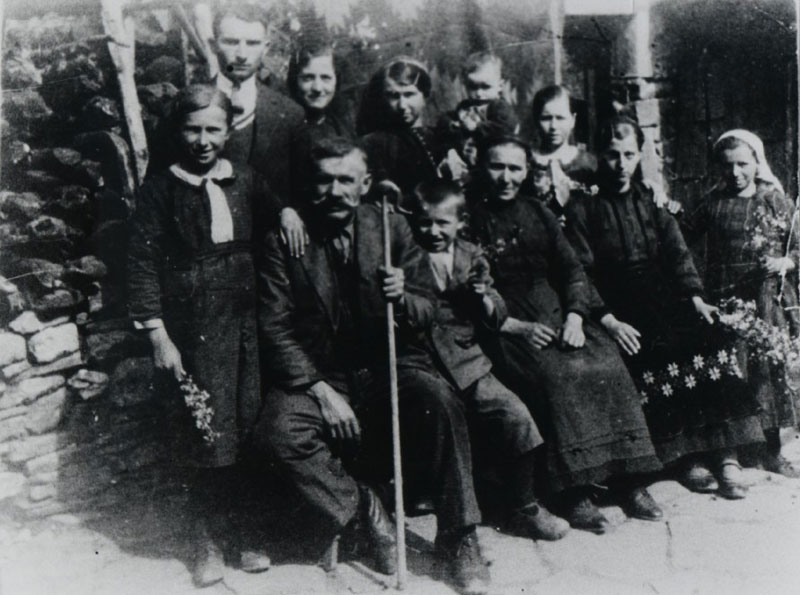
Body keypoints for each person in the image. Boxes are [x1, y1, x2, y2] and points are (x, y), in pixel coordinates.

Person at [254, 137, 493, 595]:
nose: (335, 191)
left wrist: (402, 297)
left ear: (364, 185)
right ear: (308, 184)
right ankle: (363, 507)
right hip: (321, 376)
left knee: (440, 401)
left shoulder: (391, 227)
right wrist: (321, 391)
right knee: (278, 434)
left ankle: (459, 537)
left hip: (388, 365)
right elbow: (274, 327)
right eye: (324, 180)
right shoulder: (284, 239)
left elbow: (427, 310)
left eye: (346, 180)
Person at [468, 132, 664, 534]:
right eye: (497, 166)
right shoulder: (470, 218)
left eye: (515, 168)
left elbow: (572, 268)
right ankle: (572, 491)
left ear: (527, 170)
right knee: (554, 376)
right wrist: (513, 327)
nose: (506, 177)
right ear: (481, 167)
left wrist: (576, 317)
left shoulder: (538, 211)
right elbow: (465, 288)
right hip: (506, 324)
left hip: (557, 312)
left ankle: (629, 481)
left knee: (607, 362)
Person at [566, 116, 766, 500]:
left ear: (639, 154)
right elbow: (579, 271)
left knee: (707, 338)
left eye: (629, 155)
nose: (621, 164)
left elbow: (676, 252)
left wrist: (695, 297)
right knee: (654, 351)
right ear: (598, 156)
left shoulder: (649, 198)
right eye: (612, 155)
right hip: (617, 303)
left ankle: (725, 454)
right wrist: (609, 321)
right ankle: (686, 457)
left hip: (664, 294)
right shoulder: (584, 207)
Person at [127, 85, 274, 587]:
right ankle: (206, 539)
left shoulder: (245, 178)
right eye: (193, 129)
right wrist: (158, 335)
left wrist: (289, 212)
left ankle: (246, 531)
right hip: (196, 328)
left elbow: (275, 209)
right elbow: (141, 263)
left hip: (247, 323)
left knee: (249, 426)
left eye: (214, 129)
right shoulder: (160, 190)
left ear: (229, 131)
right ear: (178, 132)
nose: (203, 140)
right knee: (204, 433)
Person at [408, 179, 569, 542]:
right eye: (424, 223)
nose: (433, 231)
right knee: (439, 417)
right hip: (421, 360)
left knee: (515, 415)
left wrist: (482, 299)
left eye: (442, 223)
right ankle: (434, 499)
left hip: (467, 359)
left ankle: (523, 506)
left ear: (459, 223)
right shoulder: (403, 257)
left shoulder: (471, 256)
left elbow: (497, 309)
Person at [682, 129, 799, 476]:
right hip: (725, 298)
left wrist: (785, 262)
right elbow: (679, 238)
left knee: (767, 371)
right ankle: (731, 449)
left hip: (766, 300)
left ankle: (771, 449)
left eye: (743, 164)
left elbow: (797, 245)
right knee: (734, 369)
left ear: (757, 162)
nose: (735, 173)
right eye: (727, 165)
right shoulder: (711, 202)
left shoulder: (774, 200)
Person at [211, 4, 304, 200]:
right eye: (231, 42)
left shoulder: (290, 115)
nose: (242, 55)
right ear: (213, 45)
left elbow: (299, 190)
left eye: (252, 43)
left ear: (265, 48)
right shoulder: (180, 107)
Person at [358, 57, 463, 201]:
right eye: (393, 96)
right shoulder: (372, 143)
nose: (402, 105)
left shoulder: (440, 138)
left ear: (425, 96)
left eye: (409, 94)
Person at [286, 36, 353, 217]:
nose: (317, 88)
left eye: (326, 78)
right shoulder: (282, 126)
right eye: (308, 78)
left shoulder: (341, 128)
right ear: (295, 80)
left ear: (337, 81)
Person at [527, 85, 598, 221]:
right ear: (536, 120)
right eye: (546, 118)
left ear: (573, 120)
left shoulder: (588, 163)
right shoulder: (527, 162)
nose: (553, 126)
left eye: (560, 118)